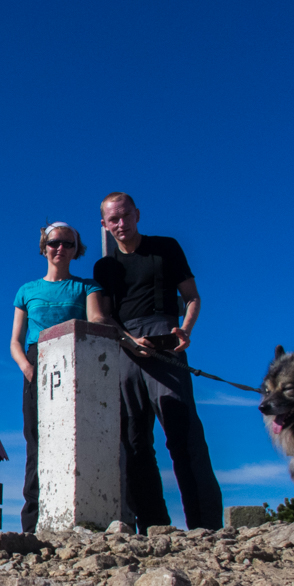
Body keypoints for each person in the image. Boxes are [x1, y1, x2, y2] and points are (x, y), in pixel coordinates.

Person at [92, 192, 223, 532]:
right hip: (125, 346)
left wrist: (184, 329)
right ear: (104, 225)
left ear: (136, 214)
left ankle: (204, 526)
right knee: (134, 441)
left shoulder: (166, 247)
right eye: (113, 220)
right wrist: (128, 341)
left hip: (167, 341)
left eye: (125, 216)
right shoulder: (104, 267)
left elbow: (192, 296)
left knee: (184, 433)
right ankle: (153, 526)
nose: (120, 224)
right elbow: (104, 317)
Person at [10, 222, 106, 533]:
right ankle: (32, 523)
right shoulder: (27, 290)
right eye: (54, 243)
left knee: (77, 437)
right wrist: (27, 367)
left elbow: (96, 320)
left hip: (76, 359)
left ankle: (79, 514)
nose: (60, 248)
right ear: (44, 247)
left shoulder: (87, 287)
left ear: (77, 250)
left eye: (67, 243)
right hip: (36, 363)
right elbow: (15, 340)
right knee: (36, 444)